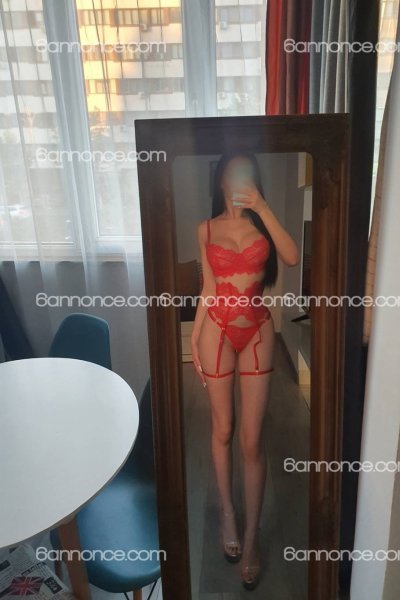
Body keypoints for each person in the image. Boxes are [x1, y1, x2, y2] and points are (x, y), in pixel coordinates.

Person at [191, 153, 299, 590]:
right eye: (232, 172)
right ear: (219, 179)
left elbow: (291, 257)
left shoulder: (262, 223)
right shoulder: (205, 229)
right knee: (223, 428)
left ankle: (252, 538)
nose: (239, 180)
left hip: (257, 329)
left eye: (247, 173)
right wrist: (194, 338)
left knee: (252, 440)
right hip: (216, 328)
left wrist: (263, 207)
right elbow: (208, 287)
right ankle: (228, 514)